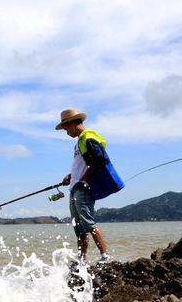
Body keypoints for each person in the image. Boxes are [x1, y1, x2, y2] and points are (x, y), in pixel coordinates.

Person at [56, 108, 124, 264]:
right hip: (74, 187)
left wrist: (85, 178)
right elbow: (82, 164)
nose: (66, 132)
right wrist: (71, 176)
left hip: (82, 188)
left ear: (73, 123)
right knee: (79, 228)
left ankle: (105, 257)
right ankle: (82, 260)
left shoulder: (88, 137)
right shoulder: (79, 142)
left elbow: (99, 160)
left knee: (89, 223)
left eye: (66, 128)